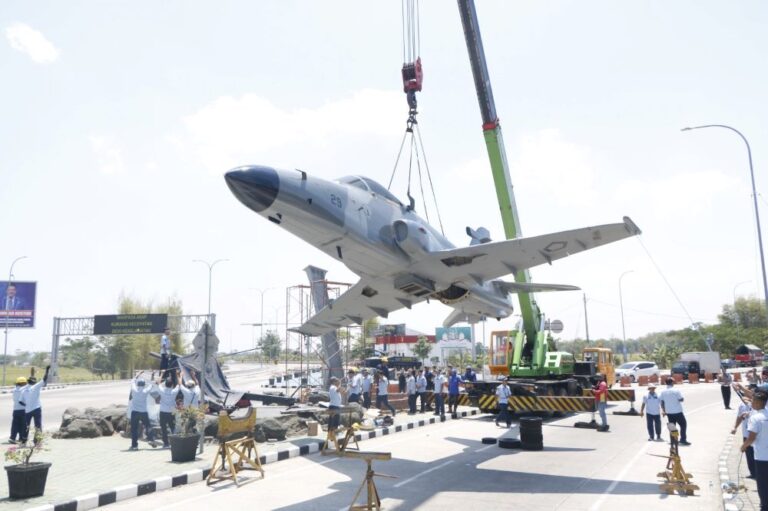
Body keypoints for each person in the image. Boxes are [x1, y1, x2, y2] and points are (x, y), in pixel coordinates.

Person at [742, 390, 768, 509]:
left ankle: (764, 506)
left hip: (762, 457)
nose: (751, 402)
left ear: (758, 403)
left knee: (763, 483)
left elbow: (751, 438)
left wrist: (744, 446)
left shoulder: (756, 418)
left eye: (753, 401)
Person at [129, 375, 158, 450]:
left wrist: (138, 374)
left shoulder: (134, 389)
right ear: (144, 385)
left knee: (134, 429)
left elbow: (132, 381)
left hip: (135, 412)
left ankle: (134, 445)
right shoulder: (145, 391)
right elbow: (152, 384)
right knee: (148, 426)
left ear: (137, 384)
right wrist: (153, 376)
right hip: (143, 412)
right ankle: (151, 439)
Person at [23, 365, 50, 439]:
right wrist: (47, 370)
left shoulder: (23, 390)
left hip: (27, 410)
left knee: (26, 426)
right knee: (38, 426)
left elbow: (21, 402)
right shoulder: (36, 386)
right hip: (36, 409)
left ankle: (23, 441)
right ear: (34, 382)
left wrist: (27, 404)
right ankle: (37, 441)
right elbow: (44, 379)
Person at [660, 377, 690, 445]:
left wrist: (664, 411)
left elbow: (662, 402)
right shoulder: (676, 390)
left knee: (672, 426)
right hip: (677, 411)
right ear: (672, 382)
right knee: (683, 425)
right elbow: (681, 399)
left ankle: (673, 440)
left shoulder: (663, 392)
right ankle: (683, 439)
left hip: (669, 412)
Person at [733, 393, 756, 479]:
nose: (744, 397)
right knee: (749, 455)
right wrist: (735, 427)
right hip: (746, 434)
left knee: (757, 455)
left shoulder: (759, 405)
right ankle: (753, 473)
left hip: (756, 435)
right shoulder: (742, 406)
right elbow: (739, 417)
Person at [156, 377, 179, 448]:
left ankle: (166, 444)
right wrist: (179, 375)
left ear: (165, 384)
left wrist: (162, 373)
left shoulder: (162, 390)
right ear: (172, 385)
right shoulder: (174, 391)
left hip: (163, 411)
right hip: (172, 411)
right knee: (173, 427)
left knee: (164, 428)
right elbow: (179, 384)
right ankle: (175, 442)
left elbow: (158, 382)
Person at [9, 377, 27, 444]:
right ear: (23, 383)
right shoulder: (24, 390)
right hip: (23, 410)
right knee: (23, 425)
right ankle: (22, 438)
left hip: (15, 410)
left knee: (15, 425)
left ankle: (12, 438)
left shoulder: (14, 390)